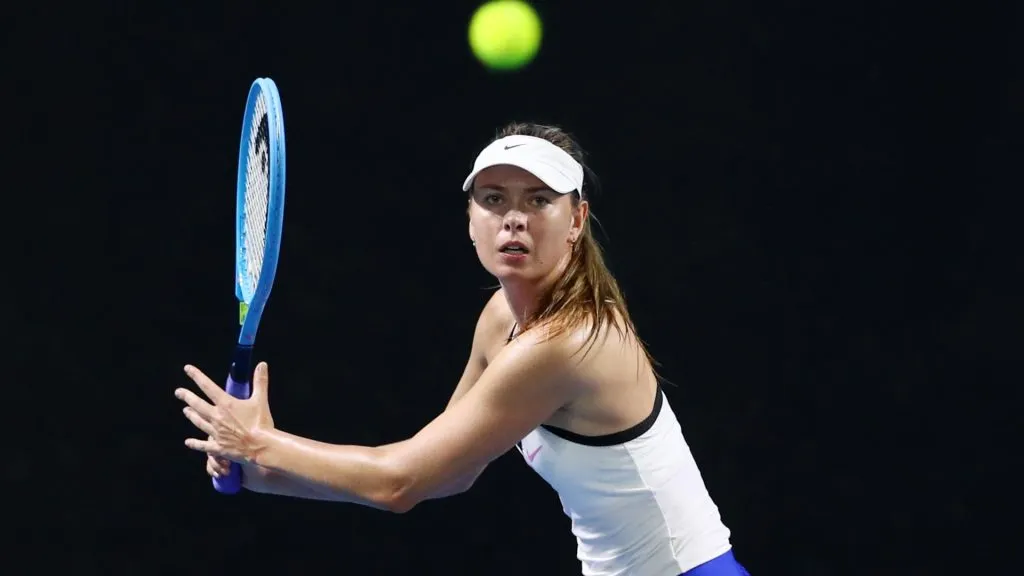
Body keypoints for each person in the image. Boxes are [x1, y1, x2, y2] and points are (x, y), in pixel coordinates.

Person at [175, 122, 750, 576]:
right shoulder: (503, 320)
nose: (514, 219)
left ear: (576, 220)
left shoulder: (566, 342)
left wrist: (262, 443)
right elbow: (451, 472)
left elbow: (398, 482)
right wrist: (259, 472)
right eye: (494, 199)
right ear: (470, 220)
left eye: (539, 200)